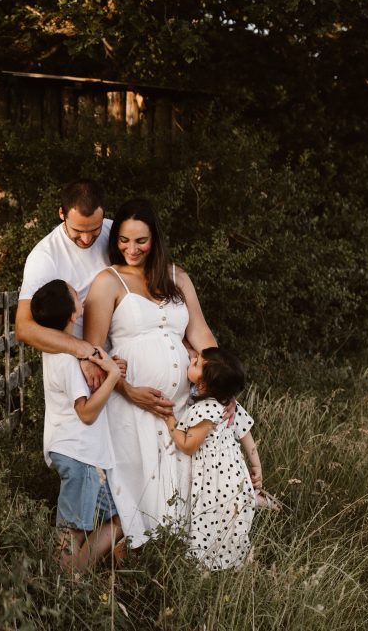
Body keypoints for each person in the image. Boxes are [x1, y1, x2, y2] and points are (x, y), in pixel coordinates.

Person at [83, 198, 219, 548]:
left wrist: (220, 384)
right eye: (124, 240)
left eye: (140, 241)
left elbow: (201, 334)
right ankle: (131, 565)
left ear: (155, 239)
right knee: (139, 498)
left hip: (180, 407)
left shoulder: (177, 276)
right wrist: (129, 391)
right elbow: (93, 354)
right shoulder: (107, 282)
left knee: (186, 494)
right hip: (130, 406)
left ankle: (182, 560)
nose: (131, 248)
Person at [30, 279, 123, 570]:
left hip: (90, 457)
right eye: (74, 293)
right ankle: (65, 590)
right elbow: (86, 413)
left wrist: (108, 367)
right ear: (73, 314)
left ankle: (77, 577)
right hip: (78, 454)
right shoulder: (64, 359)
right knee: (72, 532)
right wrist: (112, 379)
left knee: (117, 521)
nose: (78, 293)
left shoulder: (65, 352)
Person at [164, 347, 263, 570]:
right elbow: (246, 434)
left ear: (204, 385)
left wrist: (169, 419)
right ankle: (235, 562)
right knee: (231, 523)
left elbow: (188, 445)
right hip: (236, 475)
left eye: (197, 362)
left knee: (210, 521)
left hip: (215, 481)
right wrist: (256, 465)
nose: (192, 359)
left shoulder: (205, 410)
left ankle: (211, 566)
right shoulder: (226, 402)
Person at [15, 180, 111, 363]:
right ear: (61, 213)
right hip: (74, 365)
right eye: (78, 230)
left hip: (121, 358)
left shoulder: (115, 233)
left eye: (94, 229)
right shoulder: (44, 256)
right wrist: (83, 350)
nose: (86, 238)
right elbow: (24, 327)